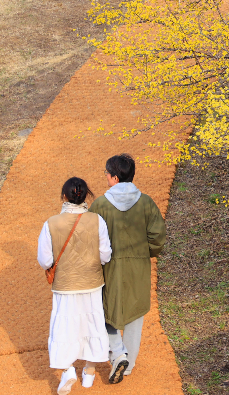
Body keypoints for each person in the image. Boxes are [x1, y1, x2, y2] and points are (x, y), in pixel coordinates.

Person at [89, 154, 166, 384]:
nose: (104, 176)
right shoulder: (147, 202)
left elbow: (90, 237)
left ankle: (116, 355)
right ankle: (128, 364)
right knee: (135, 313)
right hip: (138, 266)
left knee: (106, 311)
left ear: (114, 177)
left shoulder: (100, 204)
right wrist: (146, 253)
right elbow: (158, 237)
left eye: (106, 172)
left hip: (108, 268)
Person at [37, 177, 112, 395]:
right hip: (92, 284)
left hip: (64, 286)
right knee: (92, 325)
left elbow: (45, 261)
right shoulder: (97, 220)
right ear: (86, 196)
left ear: (64, 196)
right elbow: (105, 254)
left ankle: (68, 370)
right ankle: (88, 373)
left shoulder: (51, 223)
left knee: (64, 329)